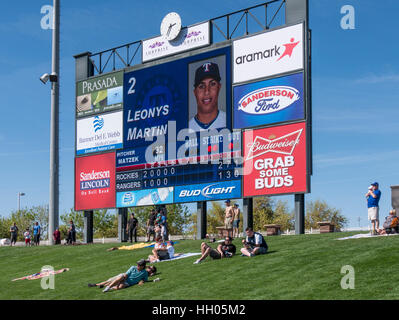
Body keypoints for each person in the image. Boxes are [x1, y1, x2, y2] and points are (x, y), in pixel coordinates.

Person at [189, 62, 226, 131]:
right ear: (195, 92)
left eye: (212, 84)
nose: (207, 91)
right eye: (201, 86)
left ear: (219, 87)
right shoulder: (187, 127)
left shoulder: (229, 120)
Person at [88, 259, 158, 292]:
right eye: (149, 267)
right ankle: (98, 285)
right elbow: (126, 274)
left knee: (118, 285)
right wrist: (123, 279)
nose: (137, 265)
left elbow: (145, 279)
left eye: (139, 265)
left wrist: (142, 281)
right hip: (124, 276)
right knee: (109, 281)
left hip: (128, 282)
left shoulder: (145, 273)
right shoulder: (134, 267)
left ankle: (107, 287)